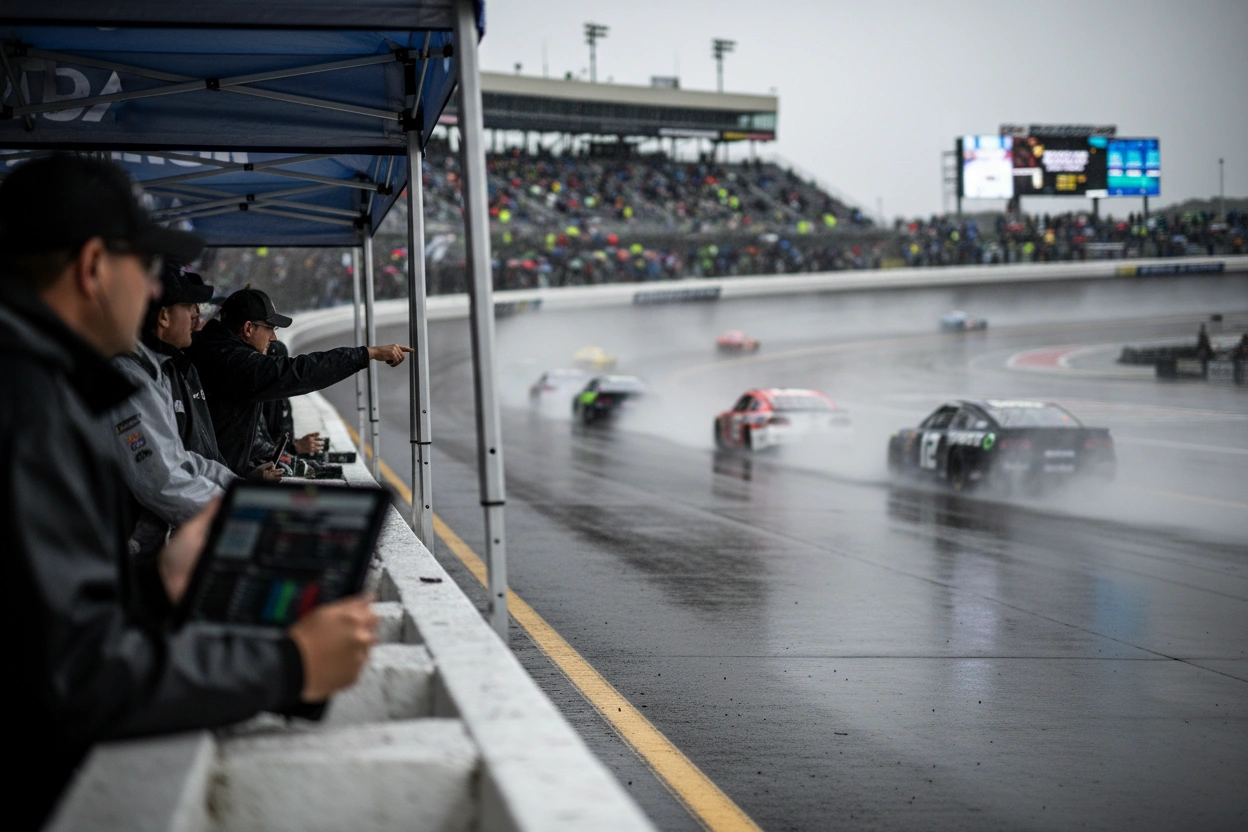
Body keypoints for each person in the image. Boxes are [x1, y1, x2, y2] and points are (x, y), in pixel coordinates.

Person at [0, 155, 377, 829]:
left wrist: (152, 588)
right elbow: (76, 679)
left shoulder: (43, 382)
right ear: (92, 268)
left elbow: (34, 628)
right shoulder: (30, 405)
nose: (153, 292)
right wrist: (289, 665)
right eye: (144, 267)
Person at [107, 265, 280, 575]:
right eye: (189, 307)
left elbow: (185, 458)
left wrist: (240, 492)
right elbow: (160, 479)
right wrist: (236, 509)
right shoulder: (128, 378)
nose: (198, 317)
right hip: (124, 553)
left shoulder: (158, 371)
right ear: (162, 317)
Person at [187, 286, 412, 475]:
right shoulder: (233, 362)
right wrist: (367, 354)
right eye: (270, 328)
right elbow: (300, 372)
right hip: (210, 486)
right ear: (248, 328)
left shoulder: (216, 349)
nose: (273, 337)